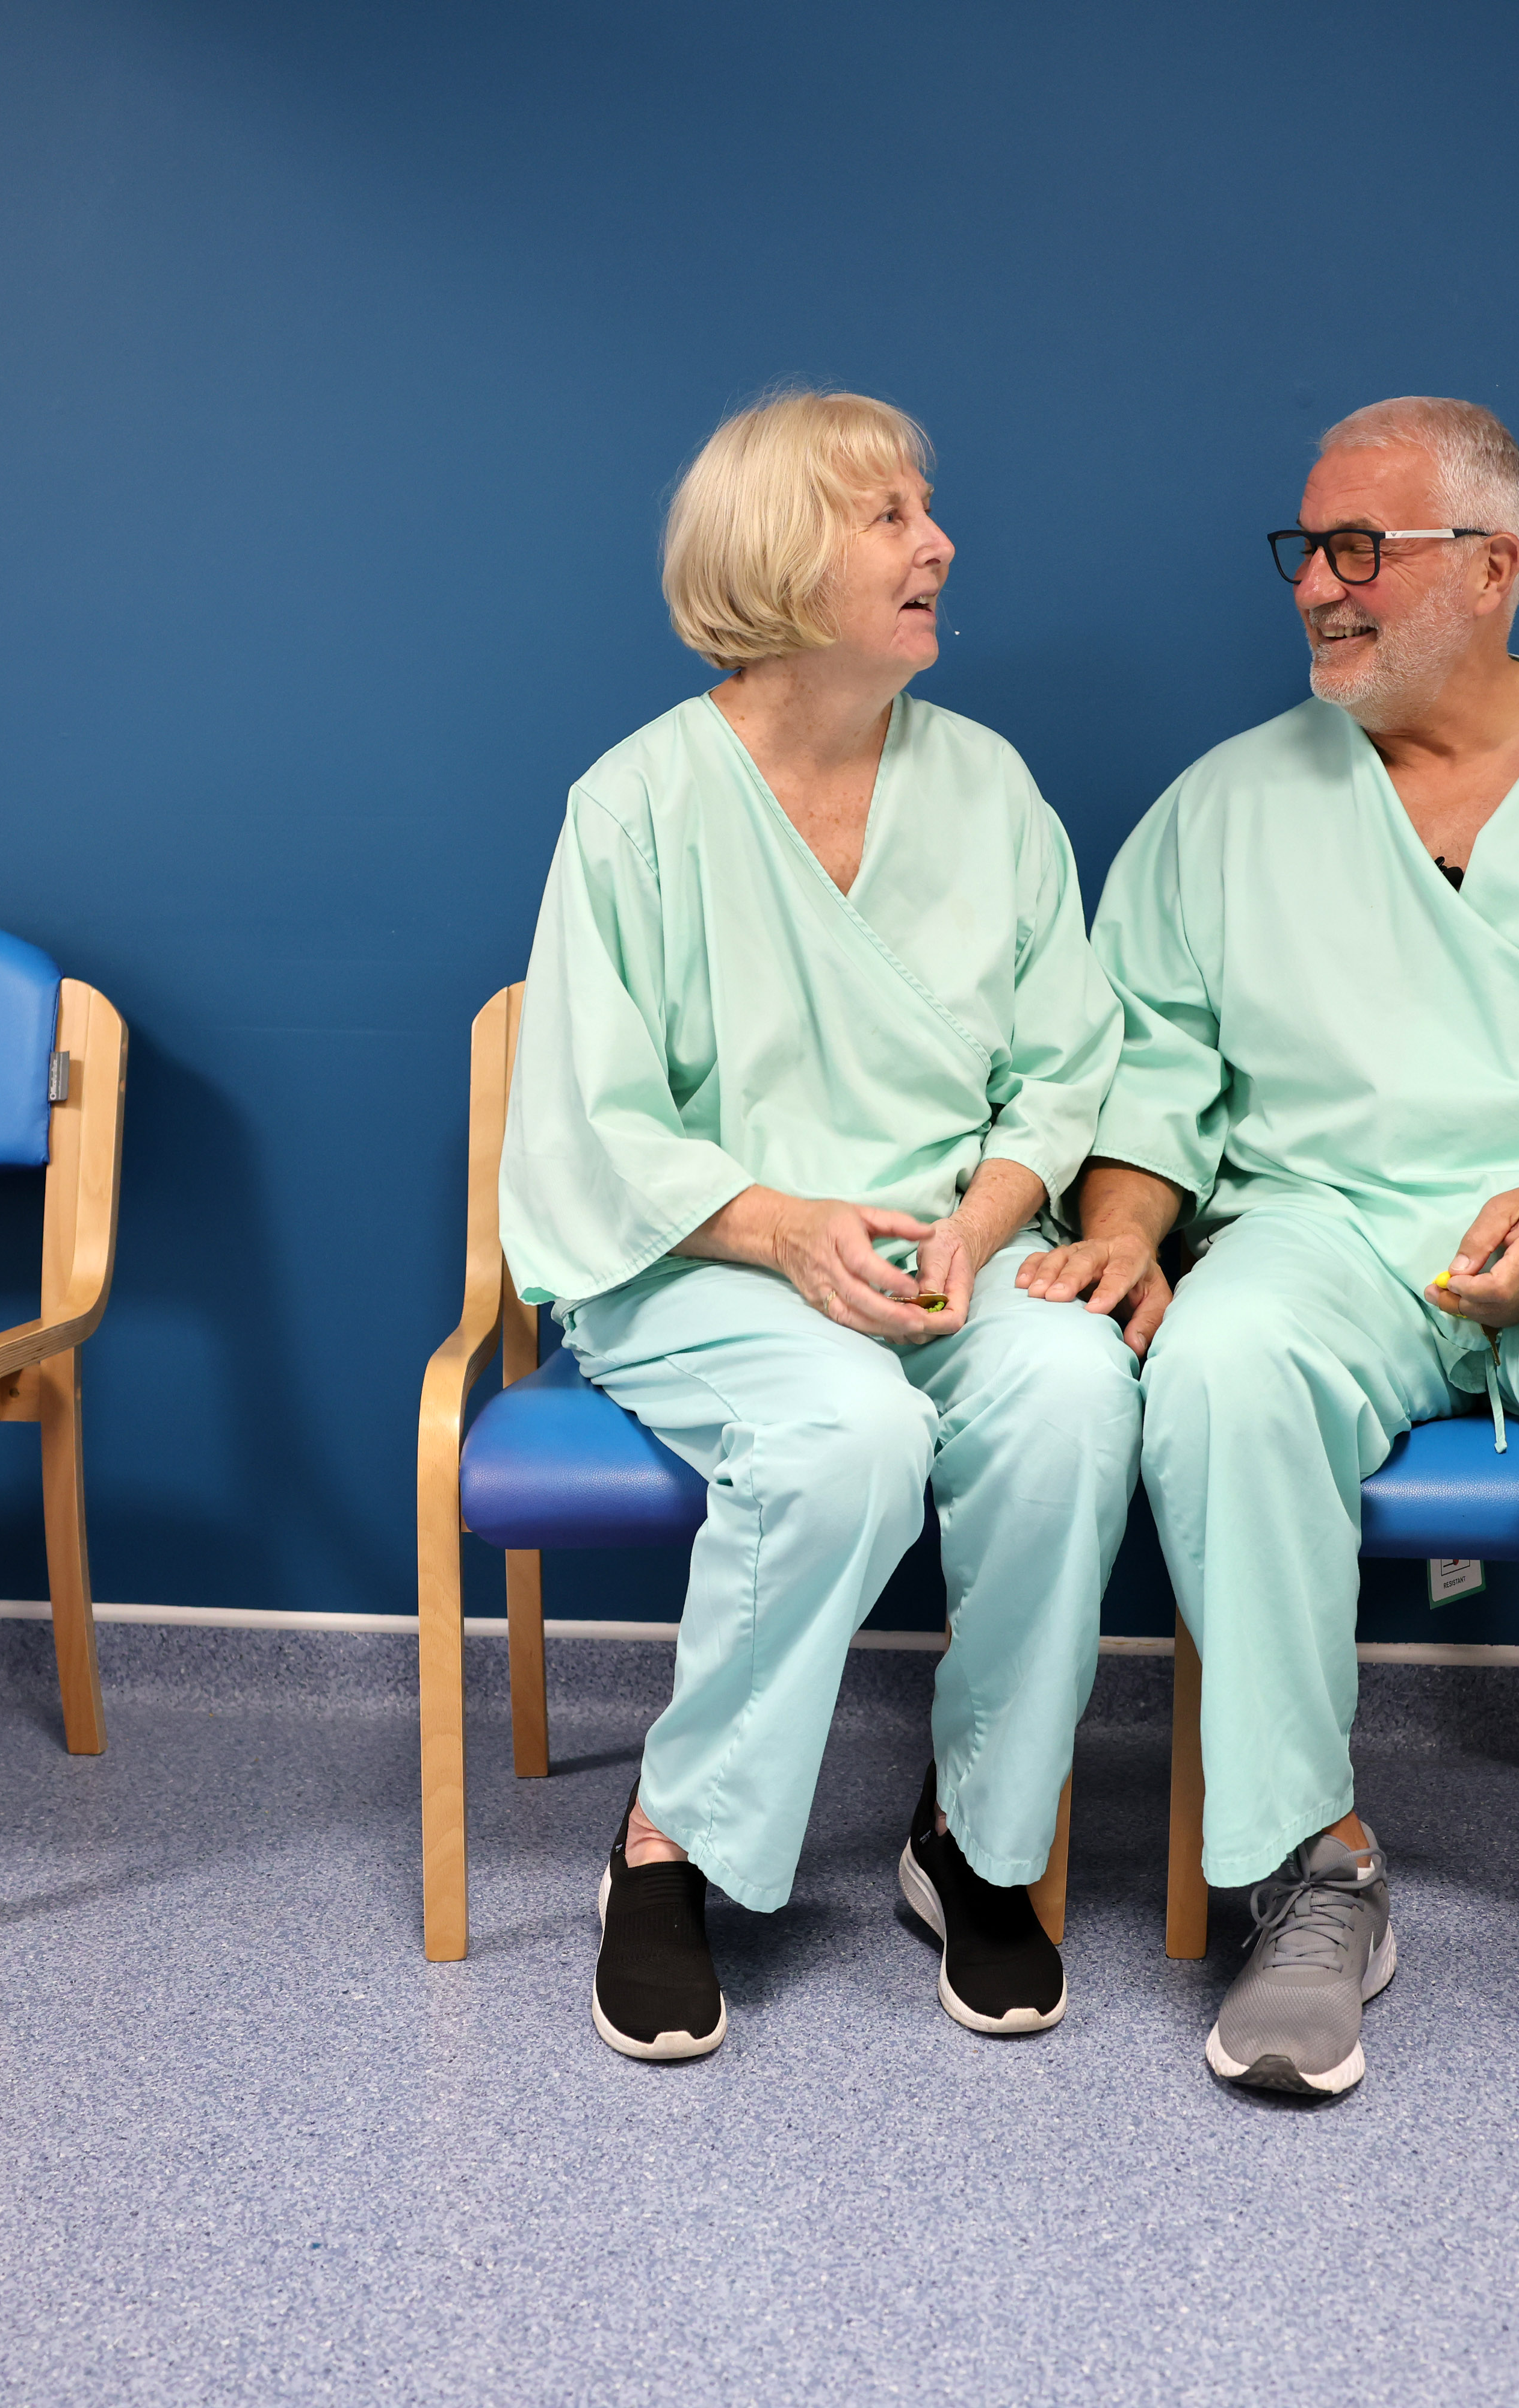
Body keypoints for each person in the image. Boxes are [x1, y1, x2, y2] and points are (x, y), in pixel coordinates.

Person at [1021, 397, 1519, 2117]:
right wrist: (1119, 1237)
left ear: (1492, 567)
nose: (1322, 587)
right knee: (1223, 1368)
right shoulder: (1223, 809)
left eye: (1361, 550)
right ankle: (1312, 1872)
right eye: (1305, 550)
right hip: (1328, 1219)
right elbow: (1149, 1073)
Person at [500, 390, 1139, 2063]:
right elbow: (594, 1120)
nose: (939, 545)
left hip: (953, 1249)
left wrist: (980, 1222)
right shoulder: (634, 807)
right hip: (706, 1258)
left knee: (1075, 1392)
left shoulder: (988, 788)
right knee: (848, 1433)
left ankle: (981, 1845)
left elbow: (1066, 1063)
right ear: (781, 563)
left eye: (929, 510)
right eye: (889, 517)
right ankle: (672, 1841)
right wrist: (788, 1233)